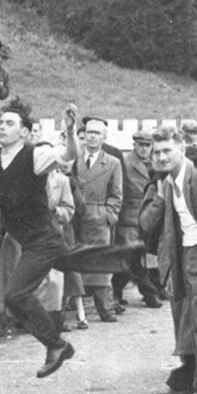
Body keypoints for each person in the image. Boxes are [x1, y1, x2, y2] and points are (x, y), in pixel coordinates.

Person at [0, 102, 80, 378]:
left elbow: (68, 155)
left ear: (24, 132)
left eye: (10, 123)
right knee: (86, 262)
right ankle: (130, 257)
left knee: (15, 295)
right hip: (27, 240)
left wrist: (70, 132)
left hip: (43, 240)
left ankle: (56, 345)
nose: (2, 126)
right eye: (1, 122)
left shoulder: (35, 154)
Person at [141, 126, 197, 394]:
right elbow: (149, 224)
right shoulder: (167, 183)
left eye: (167, 151)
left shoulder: (196, 176)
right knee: (188, 323)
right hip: (184, 257)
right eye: (157, 152)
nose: (162, 157)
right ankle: (191, 382)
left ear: (181, 150)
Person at [73, 117, 123, 322]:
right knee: (74, 259)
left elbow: (117, 194)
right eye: (89, 132)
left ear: (104, 137)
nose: (92, 136)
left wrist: (107, 216)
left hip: (98, 216)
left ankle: (105, 307)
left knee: (101, 262)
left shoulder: (112, 163)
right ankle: (72, 303)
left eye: (97, 133)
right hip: (75, 215)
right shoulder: (73, 159)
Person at [114, 130, 162, 309]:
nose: (144, 149)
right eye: (140, 145)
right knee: (130, 257)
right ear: (134, 145)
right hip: (129, 218)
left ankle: (118, 291)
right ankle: (149, 294)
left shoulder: (155, 163)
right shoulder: (125, 163)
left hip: (149, 217)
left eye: (147, 145)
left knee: (143, 257)